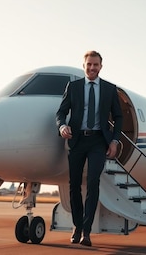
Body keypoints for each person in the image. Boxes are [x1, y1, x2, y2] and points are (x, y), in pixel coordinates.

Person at [56, 50, 123, 247]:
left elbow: (118, 117)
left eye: (96, 65)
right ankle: (77, 226)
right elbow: (61, 111)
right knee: (74, 185)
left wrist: (114, 141)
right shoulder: (74, 87)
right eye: (89, 64)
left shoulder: (110, 89)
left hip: (98, 142)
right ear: (83, 66)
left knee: (93, 183)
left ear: (101, 67)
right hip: (77, 140)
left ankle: (86, 231)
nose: (92, 68)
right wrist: (62, 126)